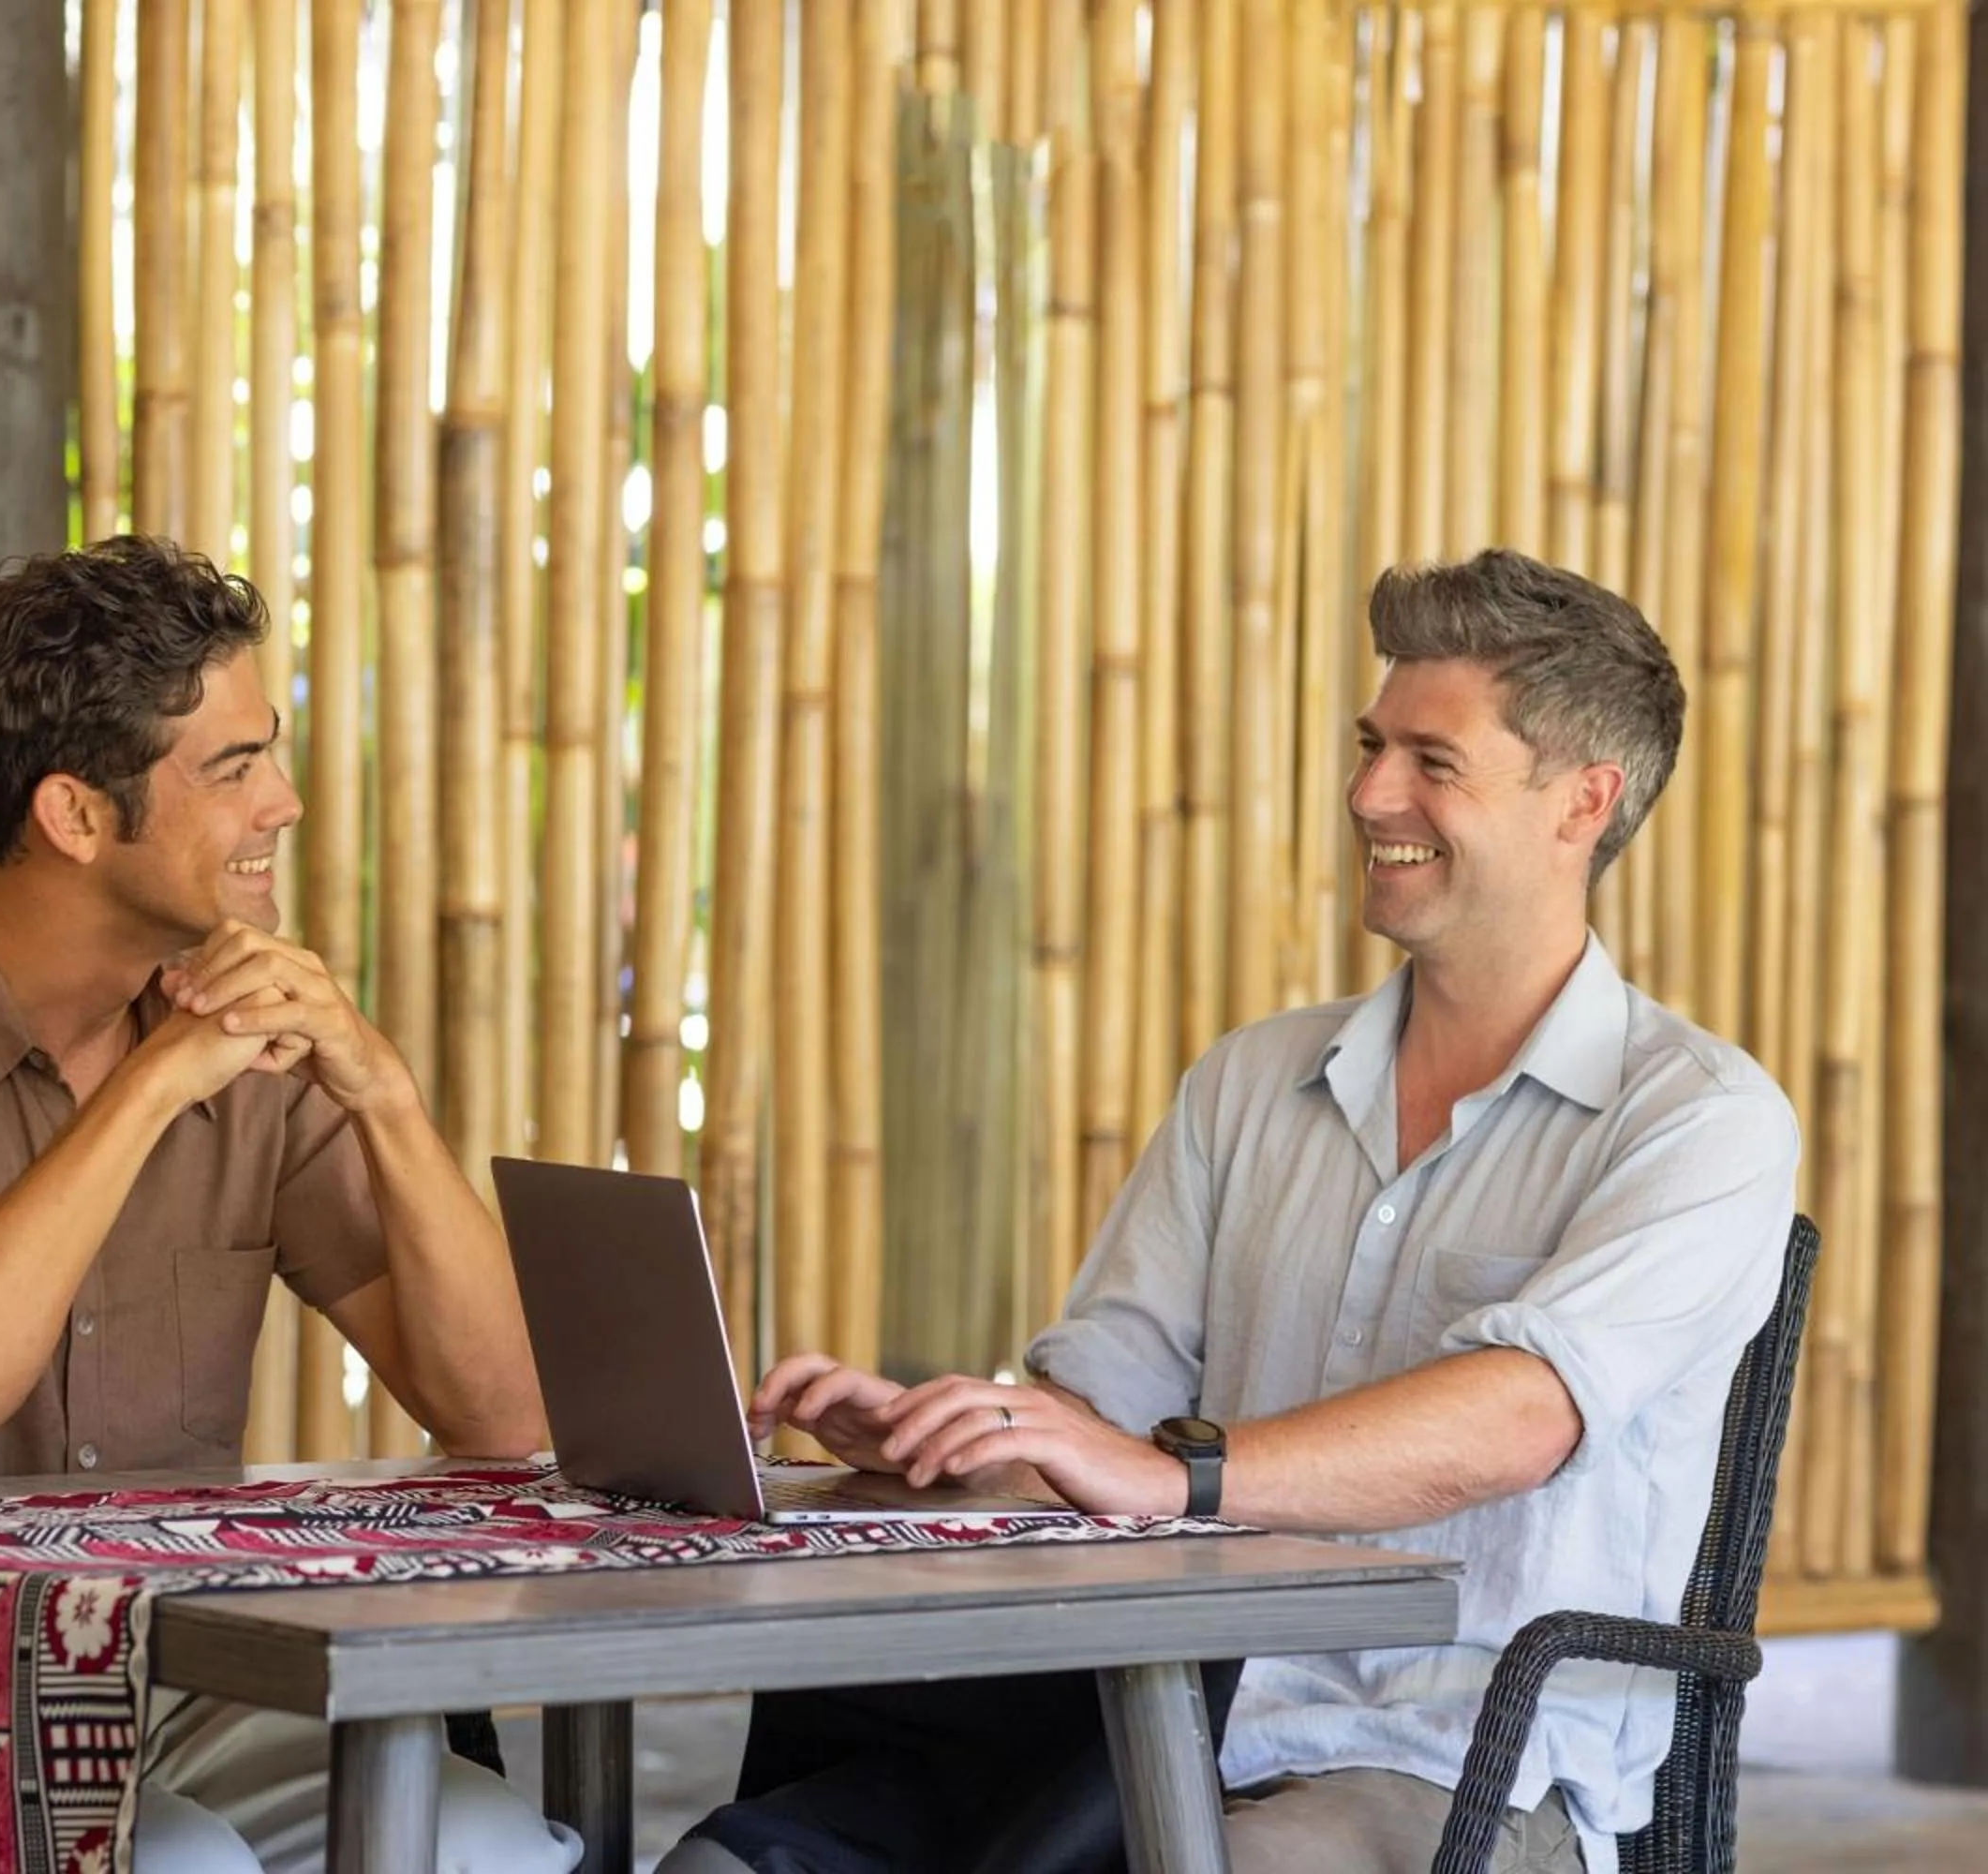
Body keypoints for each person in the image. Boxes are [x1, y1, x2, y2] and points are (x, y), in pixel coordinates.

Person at [662, 550, 1799, 1874]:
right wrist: (953, 1446)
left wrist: (1175, 1476)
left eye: (1433, 761)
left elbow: (1522, 1413)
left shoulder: (1702, 1120)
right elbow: (1098, 1423)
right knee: (731, 1863)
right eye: (1374, 747)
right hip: (1140, 1717)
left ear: (1582, 803)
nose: (1369, 794)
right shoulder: (1255, 1080)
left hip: (1448, 1768)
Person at [0, 537, 575, 1874]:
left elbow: (508, 1420)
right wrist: (141, 1098)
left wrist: (382, 1096)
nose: (288, 804)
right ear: (76, 816)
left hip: (164, 1669)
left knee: (483, 1842)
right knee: (175, 1866)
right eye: (236, 767)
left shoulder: (254, 1043)